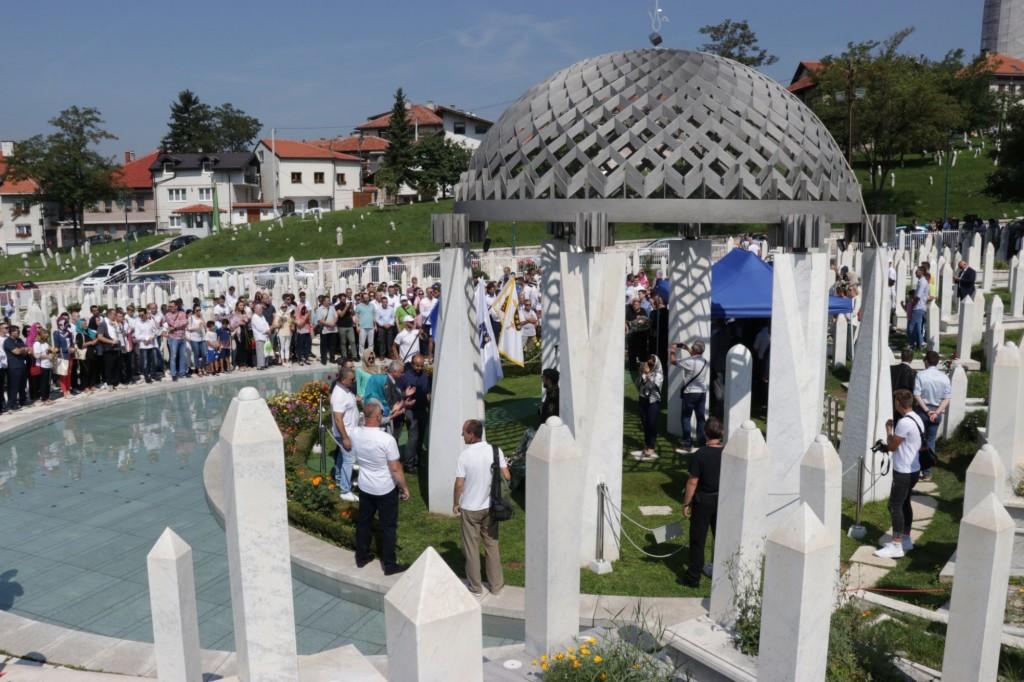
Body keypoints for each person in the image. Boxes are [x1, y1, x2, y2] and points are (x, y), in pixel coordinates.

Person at [350, 400, 410, 575]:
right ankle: (389, 564)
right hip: (385, 488)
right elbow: (395, 468)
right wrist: (404, 487)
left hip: (365, 486)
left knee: (364, 522)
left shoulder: (355, 433)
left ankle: (361, 556)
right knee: (388, 527)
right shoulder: (387, 439)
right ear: (377, 416)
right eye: (382, 414)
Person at [453, 419, 510, 596]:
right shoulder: (495, 451)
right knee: (492, 546)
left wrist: (456, 503)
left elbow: (459, 484)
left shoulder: (465, 456)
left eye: (464, 432)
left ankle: (476, 587)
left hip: (470, 509)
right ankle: (496, 586)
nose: (462, 435)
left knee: (471, 549)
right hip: (491, 507)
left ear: (471, 434)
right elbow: (506, 476)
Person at [874, 390, 924, 559]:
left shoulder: (903, 423)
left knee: (894, 506)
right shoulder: (917, 418)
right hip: (914, 468)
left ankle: (896, 545)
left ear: (897, 403)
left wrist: (889, 430)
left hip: (903, 471)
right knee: (904, 503)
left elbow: (892, 446)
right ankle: (906, 538)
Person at [678, 417, 723, 587]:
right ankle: (720, 572)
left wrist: (686, 503)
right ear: (721, 433)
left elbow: (692, 482)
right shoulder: (726, 452)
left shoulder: (701, 454)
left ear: (705, 433)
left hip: (703, 500)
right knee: (720, 537)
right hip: (721, 499)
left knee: (698, 539)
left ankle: (693, 577)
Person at [913, 350, 951, 481]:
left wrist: (927, 411)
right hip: (937, 411)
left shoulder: (921, 375)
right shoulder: (944, 377)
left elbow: (917, 395)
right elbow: (947, 398)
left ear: (926, 362)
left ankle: (915, 469)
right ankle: (927, 472)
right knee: (931, 441)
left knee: (917, 440)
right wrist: (937, 412)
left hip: (922, 411)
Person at [670, 340, 709, 451]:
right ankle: (701, 442)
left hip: (690, 393)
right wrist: (687, 348)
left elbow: (673, 361)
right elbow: (695, 357)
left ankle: (687, 443)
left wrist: (672, 351)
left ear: (694, 350)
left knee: (686, 417)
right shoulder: (705, 361)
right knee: (700, 418)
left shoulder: (689, 362)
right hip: (702, 393)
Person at [331, 367, 360, 502]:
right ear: (343, 380)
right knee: (349, 460)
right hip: (345, 434)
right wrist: (345, 438)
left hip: (349, 432)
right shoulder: (338, 395)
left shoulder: (345, 389)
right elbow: (338, 418)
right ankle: (345, 490)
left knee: (342, 458)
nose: (354, 381)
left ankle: (338, 479)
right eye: (352, 379)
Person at [398, 354, 431, 473]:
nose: (419, 368)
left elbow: (427, 391)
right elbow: (399, 393)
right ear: (412, 364)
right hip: (411, 411)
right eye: (417, 365)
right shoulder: (405, 377)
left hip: (423, 410)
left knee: (421, 437)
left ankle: (417, 460)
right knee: (413, 437)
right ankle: (408, 463)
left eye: (421, 366)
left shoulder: (425, 376)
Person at [636, 354, 663, 461]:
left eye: (653, 360)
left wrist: (647, 375)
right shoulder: (644, 372)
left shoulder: (659, 375)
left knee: (651, 423)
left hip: (653, 402)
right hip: (643, 400)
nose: (650, 361)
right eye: (650, 359)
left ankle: (651, 446)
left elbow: (651, 387)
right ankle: (647, 443)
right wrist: (641, 374)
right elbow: (637, 385)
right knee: (644, 423)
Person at [4, 325, 29, 410]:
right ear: (11, 332)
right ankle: (12, 404)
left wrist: (22, 349)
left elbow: (26, 351)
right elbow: (17, 352)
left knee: (23, 385)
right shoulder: (8, 341)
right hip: (13, 366)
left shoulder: (19, 340)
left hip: (22, 365)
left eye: (18, 331)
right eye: (15, 331)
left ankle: (23, 400)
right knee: (14, 386)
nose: (18, 332)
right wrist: (23, 349)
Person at [890, 348, 917, 422]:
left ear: (901, 357)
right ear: (911, 359)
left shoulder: (891, 369)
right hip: (906, 405)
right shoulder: (913, 373)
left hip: (891, 402)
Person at [164, 301, 189, 380]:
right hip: (173, 338)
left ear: (176, 306)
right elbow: (172, 323)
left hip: (182, 337)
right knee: (173, 356)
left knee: (183, 356)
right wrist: (178, 324)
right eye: (169, 306)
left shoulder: (182, 313)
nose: (170, 308)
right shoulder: (167, 315)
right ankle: (173, 374)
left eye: (172, 306)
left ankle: (182, 372)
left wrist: (175, 326)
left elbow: (185, 322)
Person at [31, 327, 54, 404]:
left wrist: (52, 353)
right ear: (41, 334)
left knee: (47, 383)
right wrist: (47, 356)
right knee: (43, 383)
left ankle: (47, 397)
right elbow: (37, 355)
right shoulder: (37, 343)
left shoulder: (45, 343)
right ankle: (43, 398)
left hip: (48, 364)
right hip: (42, 365)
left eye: (47, 333)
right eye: (45, 333)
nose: (47, 335)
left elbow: (49, 351)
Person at [336, 294, 356, 362]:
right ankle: (344, 356)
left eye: (345, 299)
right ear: (340, 299)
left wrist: (352, 308)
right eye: (343, 299)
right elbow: (341, 315)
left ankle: (354, 356)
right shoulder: (337, 306)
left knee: (352, 341)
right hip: (341, 326)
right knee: (343, 342)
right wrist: (346, 307)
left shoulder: (348, 305)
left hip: (350, 326)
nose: (344, 300)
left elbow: (353, 313)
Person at [251, 302, 270, 369]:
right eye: (259, 309)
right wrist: (267, 331)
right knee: (260, 352)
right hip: (259, 337)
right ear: (255, 310)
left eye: (261, 309)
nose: (260, 310)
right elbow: (260, 327)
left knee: (266, 351)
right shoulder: (254, 317)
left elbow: (266, 324)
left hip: (266, 336)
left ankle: (265, 364)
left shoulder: (262, 316)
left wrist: (268, 329)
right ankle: (260, 365)